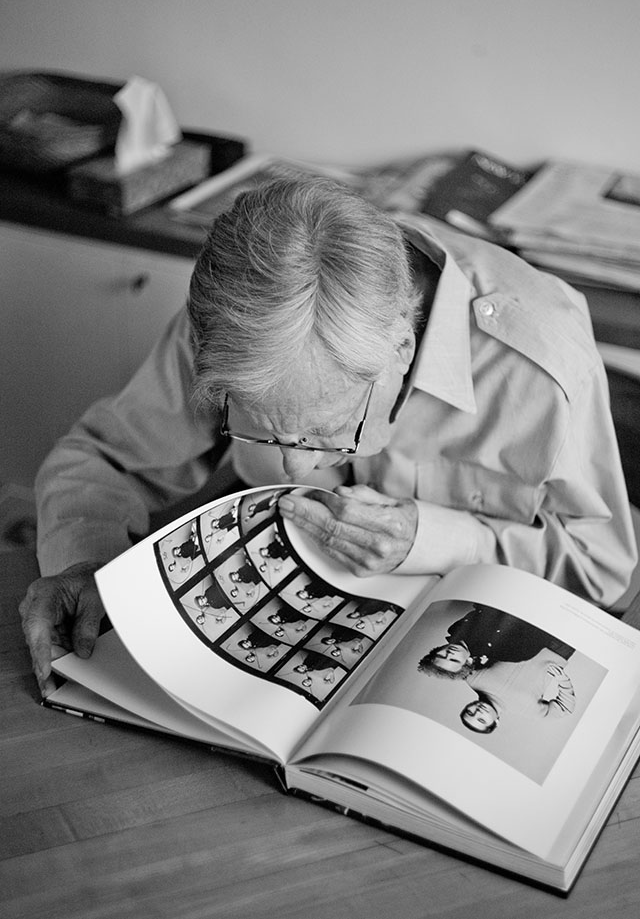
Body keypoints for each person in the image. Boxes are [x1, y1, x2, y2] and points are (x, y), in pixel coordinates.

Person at [19, 176, 636, 696]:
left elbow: (603, 572)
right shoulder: (242, 321)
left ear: (402, 348)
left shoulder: (539, 368)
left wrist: (444, 541)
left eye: (327, 429)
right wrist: (84, 561)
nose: (292, 460)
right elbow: (102, 457)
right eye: (261, 425)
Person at [417, 604, 575, 678]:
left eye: (442, 655)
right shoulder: (505, 653)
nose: (450, 653)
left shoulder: (455, 630)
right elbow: (541, 630)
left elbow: (481, 609)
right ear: (467, 663)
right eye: (453, 660)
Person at [460, 655, 577, 733]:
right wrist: (563, 681)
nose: (478, 712)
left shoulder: (472, 678)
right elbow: (565, 709)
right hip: (559, 651)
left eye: (470, 712)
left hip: (526, 627)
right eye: (481, 720)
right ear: (496, 723)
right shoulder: (528, 711)